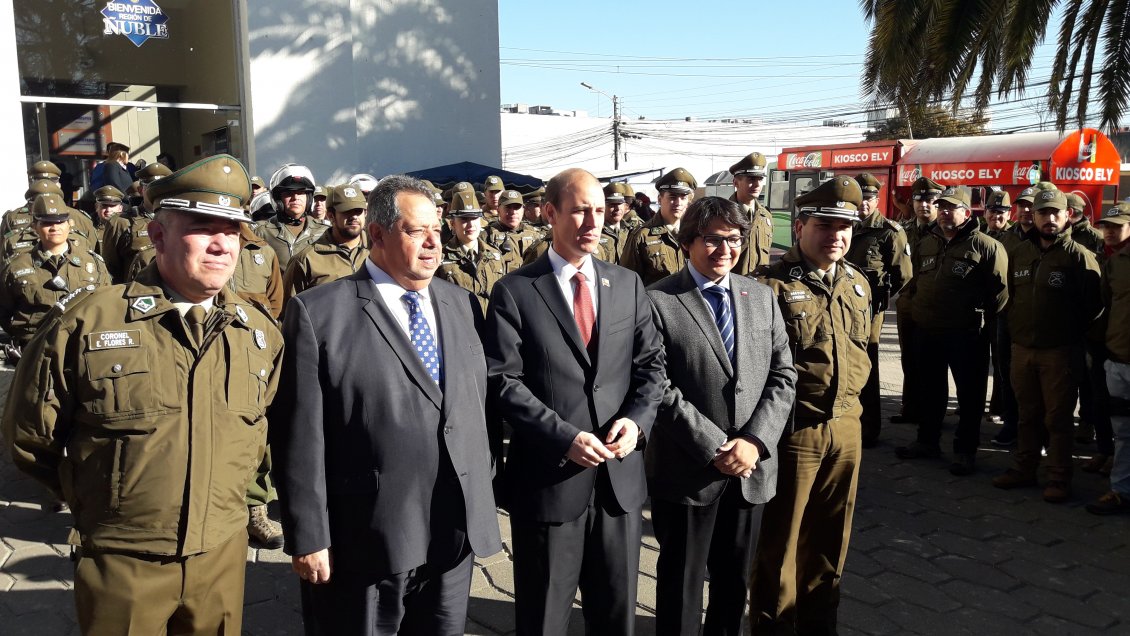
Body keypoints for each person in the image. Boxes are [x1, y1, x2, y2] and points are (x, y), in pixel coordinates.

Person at [3, 154, 282, 634]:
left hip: (221, 557)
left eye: (232, 230)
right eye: (202, 227)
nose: (221, 244)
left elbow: (261, 438)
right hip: (122, 562)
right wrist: (104, 503)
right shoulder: (89, 323)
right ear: (157, 236)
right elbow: (29, 438)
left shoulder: (258, 334)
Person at [269, 174, 502, 635]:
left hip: (453, 534)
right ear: (376, 234)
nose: (435, 242)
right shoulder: (320, 314)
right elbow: (299, 436)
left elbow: (476, 406)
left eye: (438, 228)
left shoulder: (461, 304)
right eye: (418, 231)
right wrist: (309, 535)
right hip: (367, 540)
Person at [484, 167, 665, 635]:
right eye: (580, 210)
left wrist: (637, 421)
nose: (593, 223)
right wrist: (563, 437)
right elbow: (504, 382)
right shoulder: (516, 291)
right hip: (549, 484)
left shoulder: (626, 285)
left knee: (615, 617)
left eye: (600, 211)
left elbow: (651, 367)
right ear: (549, 213)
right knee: (544, 619)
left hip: (617, 487)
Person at [647, 196, 796, 636]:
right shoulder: (658, 301)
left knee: (734, 584)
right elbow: (656, 385)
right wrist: (714, 447)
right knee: (681, 584)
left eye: (734, 239)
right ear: (688, 241)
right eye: (712, 240)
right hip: (689, 470)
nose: (725, 250)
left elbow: (783, 375)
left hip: (750, 469)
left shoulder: (761, 297)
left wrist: (753, 442)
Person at [751, 176, 872, 636]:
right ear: (799, 226)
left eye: (845, 227)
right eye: (825, 224)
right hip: (794, 431)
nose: (836, 235)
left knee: (830, 538)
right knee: (780, 543)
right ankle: (771, 628)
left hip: (846, 426)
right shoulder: (767, 285)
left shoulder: (857, 283)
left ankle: (820, 625)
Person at [993, 187, 1102, 503]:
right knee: (1027, 414)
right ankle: (1024, 468)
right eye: (1043, 213)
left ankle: (1059, 477)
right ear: (1033, 216)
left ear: (1068, 215)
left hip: (1059, 352)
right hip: (1022, 348)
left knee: (1058, 419)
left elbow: (1094, 307)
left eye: (1056, 213)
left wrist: (1070, 338)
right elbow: (1009, 295)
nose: (1049, 218)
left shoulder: (1080, 257)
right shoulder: (1019, 252)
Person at [895, 185, 1008, 475]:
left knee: (970, 397)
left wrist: (979, 321)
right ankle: (927, 441)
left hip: (966, 334)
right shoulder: (928, 242)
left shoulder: (985, 245)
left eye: (952, 208)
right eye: (942, 207)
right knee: (930, 390)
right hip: (928, 330)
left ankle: (965, 451)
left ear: (967, 213)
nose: (944, 212)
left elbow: (1001, 293)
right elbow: (917, 277)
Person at [845, 172, 912, 447]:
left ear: (876, 200)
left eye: (869, 198)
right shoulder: (846, 225)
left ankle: (869, 428)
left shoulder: (889, 231)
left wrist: (880, 299)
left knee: (867, 366)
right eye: (860, 198)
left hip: (870, 311)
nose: (864, 204)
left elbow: (903, 275)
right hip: (841, 307)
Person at [0, 193, 110, 355]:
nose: (55, 227)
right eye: (46, 223)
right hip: (35, 350)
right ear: (34, 226)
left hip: (81, 349)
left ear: (69, 225)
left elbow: (106, 305)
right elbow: (4, 311)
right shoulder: (16, 267)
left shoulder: (93, 264)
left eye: (60, 221)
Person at [1087, 202, 1130, 514]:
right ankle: (1120, 490)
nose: (1110, 231)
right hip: (1116, 356)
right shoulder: (1112, 262)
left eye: (1118, 225)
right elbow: (1104, 307)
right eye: (1107, 226)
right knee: (1123, 430)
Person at [891, 176, 943, 426]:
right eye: (920, 199)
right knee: (909, 358)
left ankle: (932, 415)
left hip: (934, 306)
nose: (925, 205)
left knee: (932, 362)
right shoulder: (904, 231)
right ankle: (910, 408)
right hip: (908, 303)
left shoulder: (945, 231)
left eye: (931, 200)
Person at [282, 183, 370, 305]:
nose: (354, 216)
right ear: (330, 216)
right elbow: (289, 312)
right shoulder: (306, 260)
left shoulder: (380, 251)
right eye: (347, 211)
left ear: (365, 213)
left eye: (358, 211)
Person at [984, 190, 1022, 446]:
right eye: (993, 211)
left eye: (1002, 212)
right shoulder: (978, 235)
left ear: (1009, 215)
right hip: (979, 309)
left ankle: (1002, 408)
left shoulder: (1013, 238)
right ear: (985, 212)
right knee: (980, 361)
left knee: (1002, 363)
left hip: (1003, 310)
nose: (996, 216)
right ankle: (988, 405)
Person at [99, 162, 173, 283]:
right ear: (140, 190)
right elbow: (110, 270)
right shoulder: (121, 223)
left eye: (162, 188)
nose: (157, 192)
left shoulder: (179, 220)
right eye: (151, 188)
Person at [621, 168, 696, 285]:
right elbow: (627, 283)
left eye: (683, 197)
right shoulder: (642, 236)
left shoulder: (695, 233)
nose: (678, 203)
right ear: (660, 199)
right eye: (672, 197)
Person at [435, 189, 506, 313]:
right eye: (464, 219)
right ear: (452, 224)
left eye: (474, 218)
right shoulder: (440, 259)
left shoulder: (495, 255)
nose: (470, 225)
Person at [253, 163, 327, 271]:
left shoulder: (324, 231)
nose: (295, 197)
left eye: (301, 192)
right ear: (278, 198)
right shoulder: (261, 232)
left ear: (309, 198)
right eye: (289, 193)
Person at [727, 152, 775, 275]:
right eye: (751, 179)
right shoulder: (723, 214)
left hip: (760, 288)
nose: (757, 184)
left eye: (760, 179)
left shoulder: (765, 216)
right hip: (733, 287)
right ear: (736, 183)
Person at [482, 188, 544, 272]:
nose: (513, 212)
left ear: (523, 210)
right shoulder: (486, 236)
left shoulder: (535, 234)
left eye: (517, 207)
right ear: (498, 210)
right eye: (508, 207)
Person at [91, 185, 125, 253]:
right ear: (96, 207)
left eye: (112, 205)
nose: (108, 209)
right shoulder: (89, 226)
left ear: (120, 208)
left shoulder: (127, 227)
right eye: (104, 205)